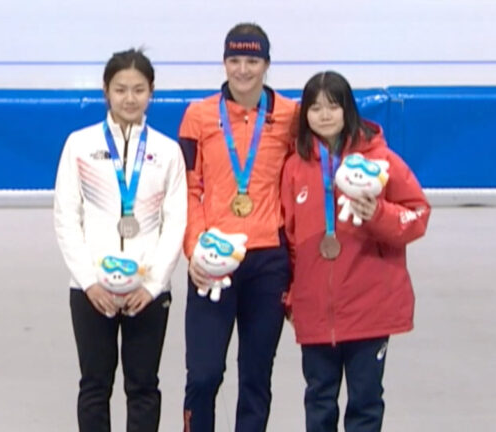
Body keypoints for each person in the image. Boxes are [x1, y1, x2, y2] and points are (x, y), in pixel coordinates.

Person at [280, 71, 431, 432]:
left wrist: (378, 215)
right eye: (315, 108)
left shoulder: (382, 162)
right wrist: (290, 297)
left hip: (370, 308)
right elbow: (286, 237)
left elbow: (418, 216)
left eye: (333, 106)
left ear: (348, 109)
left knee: (365, 402)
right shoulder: (294, 168)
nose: (325, 115)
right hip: (316, 310)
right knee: (319, 400)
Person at [53, 49, 187, 432]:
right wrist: (88, 281)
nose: (130, 98)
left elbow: (175, 221)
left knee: (144, 386)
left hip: (147, 291)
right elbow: (66, 216)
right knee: (95, 385)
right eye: (121, 89)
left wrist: (154, 284)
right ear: (106, 91)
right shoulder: (79, 145)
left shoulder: (167, 152)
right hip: (91, 289)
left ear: (152, 93)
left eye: (139, 89)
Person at [177, 22, 298, 432]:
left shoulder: (290, 115)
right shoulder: (198, 115)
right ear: (224, 62)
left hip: (268, 261)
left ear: (267, 64)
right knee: (204, 374)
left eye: (252, 61)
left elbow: (301, 185)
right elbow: (189, 190)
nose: (243, 70)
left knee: (255, 376)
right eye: (234, 60)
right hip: (212, 259)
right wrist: (194, 250)